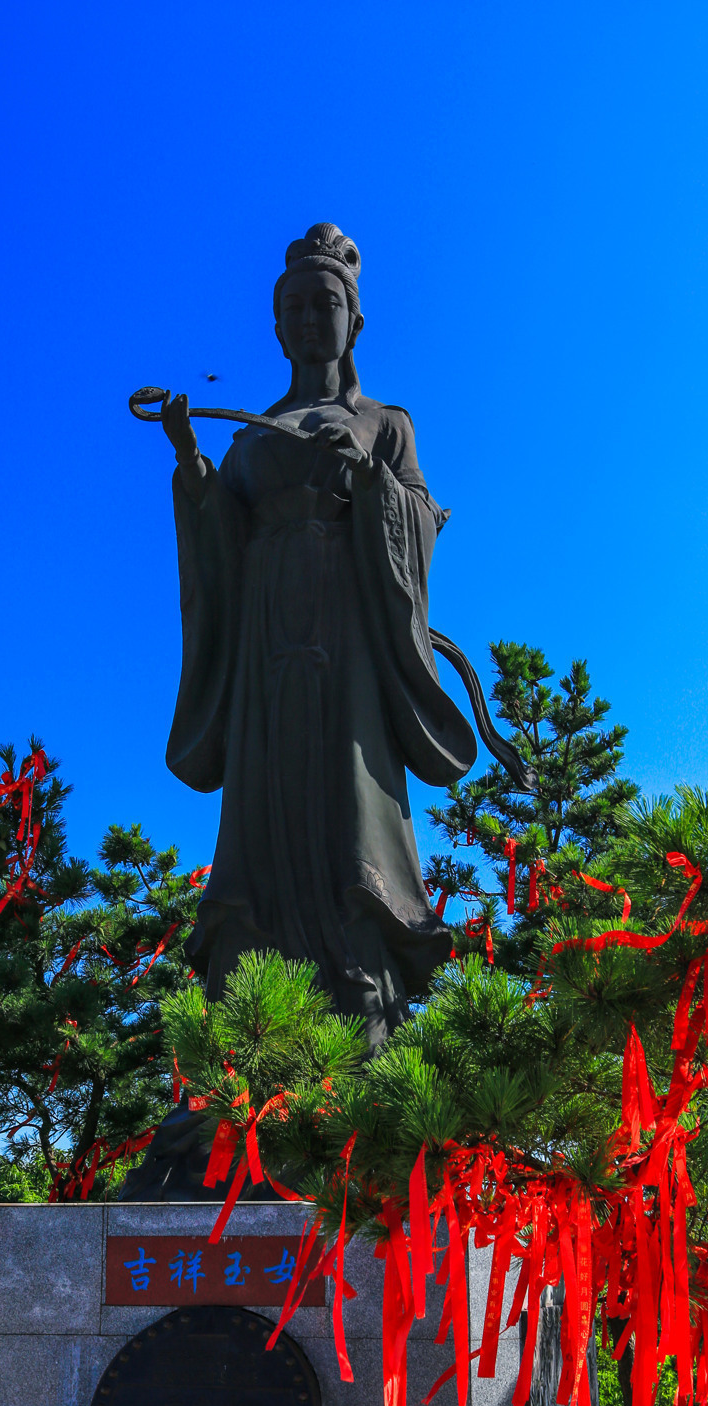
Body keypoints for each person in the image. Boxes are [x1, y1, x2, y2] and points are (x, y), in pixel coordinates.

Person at [159, 223, 478, 1049]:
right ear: (275, 325)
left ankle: (360, 1010)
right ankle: (252, 1021)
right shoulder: (251, 434)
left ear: (354, 320)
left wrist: (372, 479)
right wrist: (194, 462)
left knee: (348, 820)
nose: (309, 318)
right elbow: (219, 542)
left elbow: (421, 524)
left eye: (324, 303)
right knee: (263, 814)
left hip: (352, 650)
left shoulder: (388, 423)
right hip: (267, 646)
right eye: (294, 305)